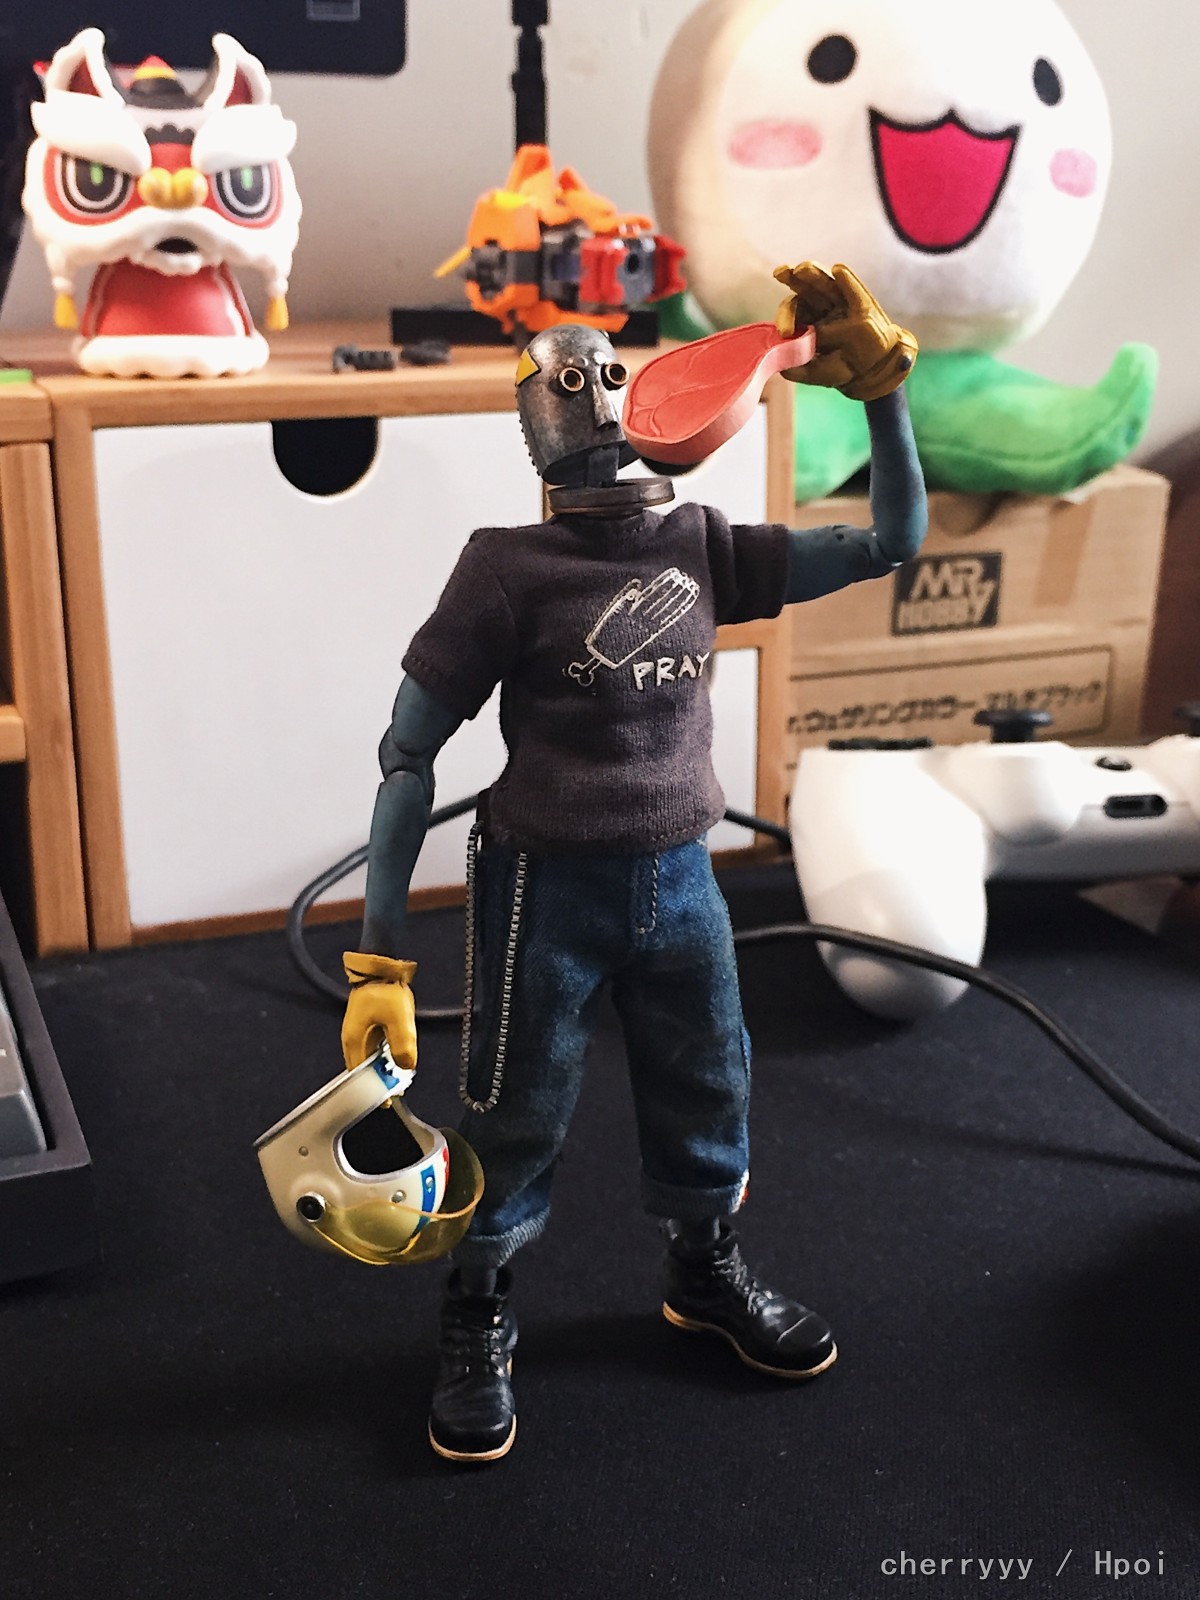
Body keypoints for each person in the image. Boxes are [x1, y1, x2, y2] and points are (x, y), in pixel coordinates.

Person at [339, 263, 928, 1463]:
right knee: (513, 1106)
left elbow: (889, 541)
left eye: (611, 370)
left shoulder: (702, 543)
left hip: (680, 877)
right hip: (542, 889)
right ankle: (478, 1302)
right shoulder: (506, 568)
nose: (600, 394)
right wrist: (380, 952)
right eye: (567, 382)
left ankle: (704, 1272)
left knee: (711, 1081)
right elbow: (408, 753)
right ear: (531, 420)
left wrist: (885, 396)